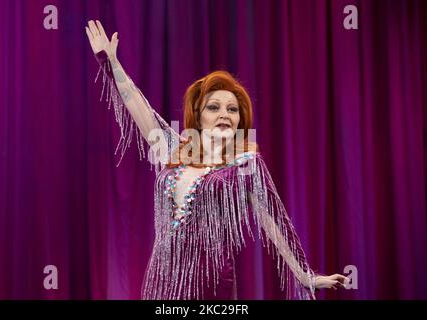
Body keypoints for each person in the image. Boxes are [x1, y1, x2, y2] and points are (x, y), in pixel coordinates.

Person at [85, 20, 349, 300]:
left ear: (239, 120)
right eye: (214, 107)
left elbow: (274, 222)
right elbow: (137, 104)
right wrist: (110, 62)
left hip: (210, 284)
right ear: (198, 117)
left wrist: (305, 274)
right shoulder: (173, 150)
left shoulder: (245, 165)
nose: (225, 114)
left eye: (232, 109)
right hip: (161, 282)